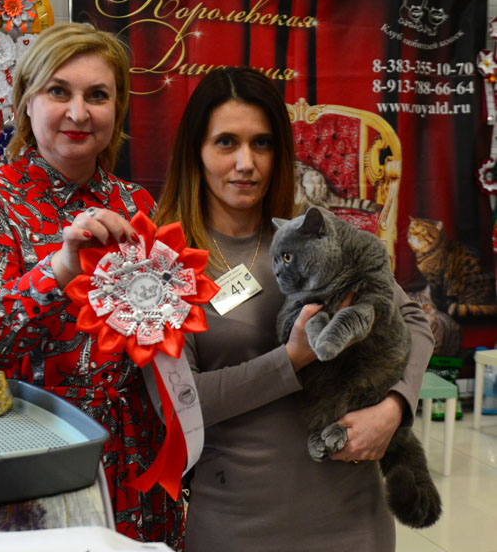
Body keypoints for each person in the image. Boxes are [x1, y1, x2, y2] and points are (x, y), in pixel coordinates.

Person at [153, 66, 434, 552]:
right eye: (226, 142)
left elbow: (412, 320)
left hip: (351, 513)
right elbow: (178, 403)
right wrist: (292, 359)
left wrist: (395, 407)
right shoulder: (163, 263)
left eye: (262, 143)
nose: (246, 163)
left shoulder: (313, 236)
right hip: (237, 518)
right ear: (195, 152)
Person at [0, 22, 183, 548]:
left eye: (97, 95)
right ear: (26, 102)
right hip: (32, 457)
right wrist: (58, 269)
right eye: (59, 91)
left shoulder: (137, 204)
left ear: (117, 109)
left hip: (136, 459)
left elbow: (160, 334)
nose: (79, 113)